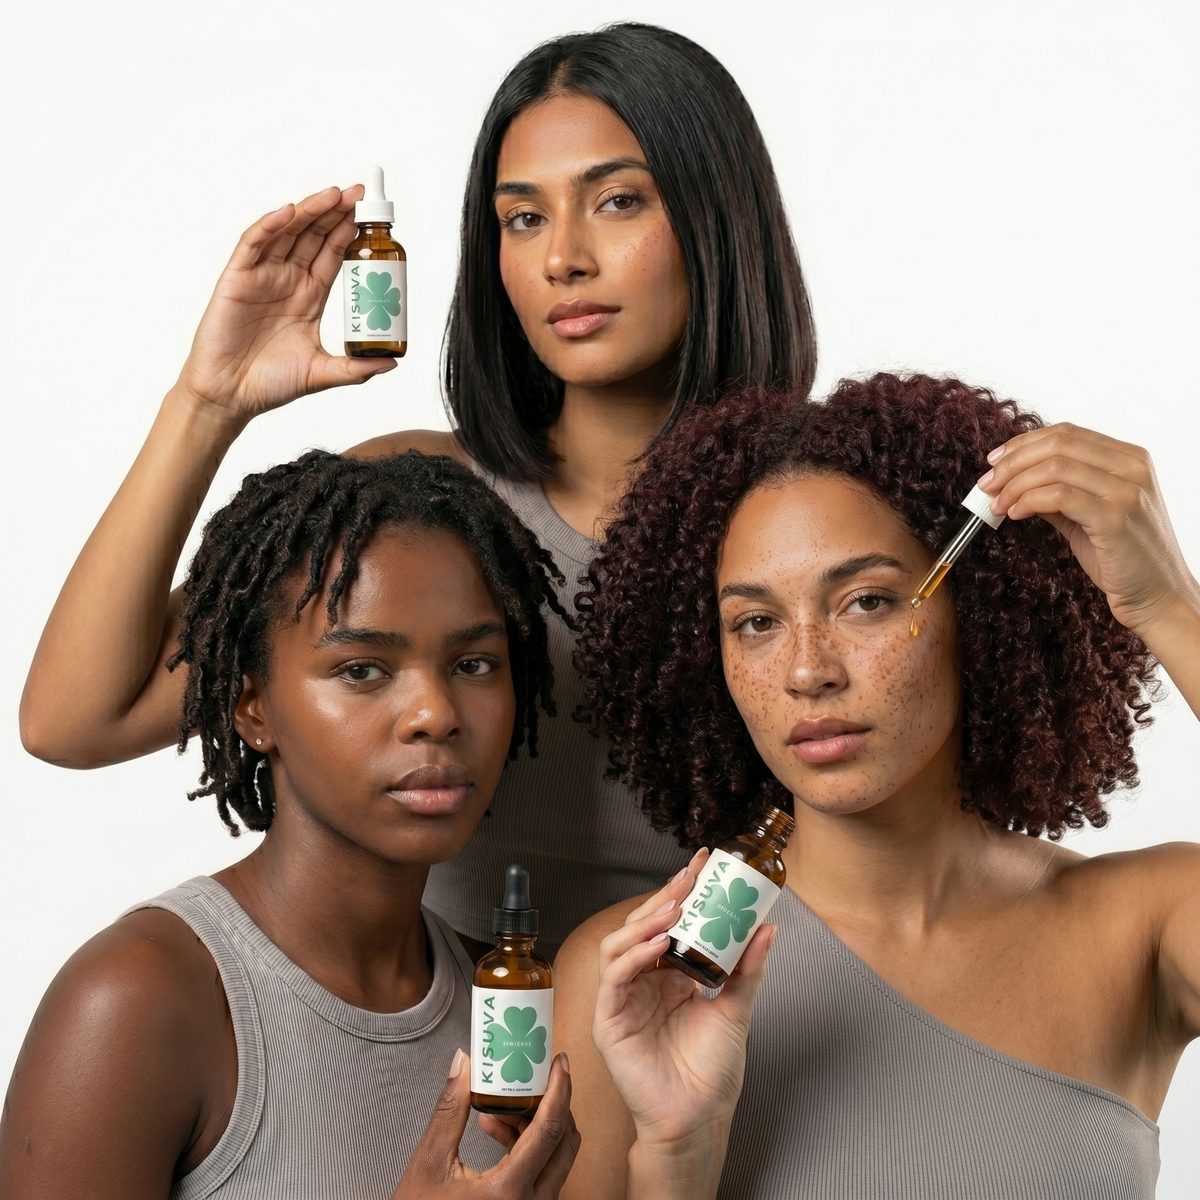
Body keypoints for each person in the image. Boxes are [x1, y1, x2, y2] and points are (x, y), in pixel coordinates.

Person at [18, 22, 817, 956]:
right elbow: (75, 718)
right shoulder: (422, 509)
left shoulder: (821, 515)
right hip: (463, 1064)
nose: (564, 257)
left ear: (720, 221)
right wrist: (207, 402)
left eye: (618, 202)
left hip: (749, 1058)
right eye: (524, 218)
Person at [555, 373, 1200, 1198]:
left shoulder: (1145, 925)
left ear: (982, 611)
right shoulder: (642, 976)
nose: (806, 670)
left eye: (866, 602)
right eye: (755, 622)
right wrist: (677, 1150)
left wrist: (1166, 604)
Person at [0, 450, 580, 1199]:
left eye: (474, 665)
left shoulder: (513, 1006)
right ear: (253, 709)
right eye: (362, 670)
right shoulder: (140, 1000)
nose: (436, 714)